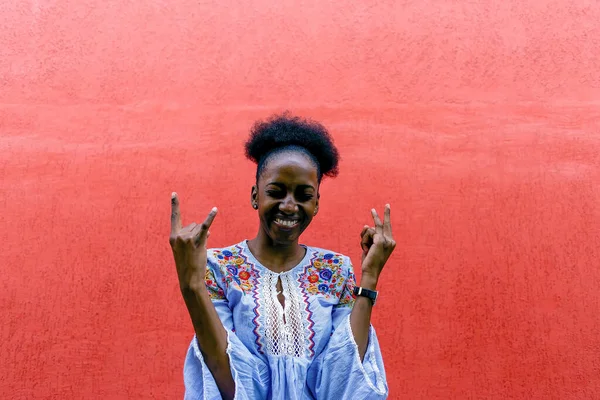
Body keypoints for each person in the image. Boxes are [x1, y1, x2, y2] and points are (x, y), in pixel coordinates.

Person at [169, 113, 396, 399]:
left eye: (304, 195)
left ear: (316, 204)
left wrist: (370, 277)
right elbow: (227, 378)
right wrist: (191, 286)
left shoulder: (335, 269)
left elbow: (343, 378)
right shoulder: (219, 267)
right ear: (255, 196)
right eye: (276, 192)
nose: (289, 206)